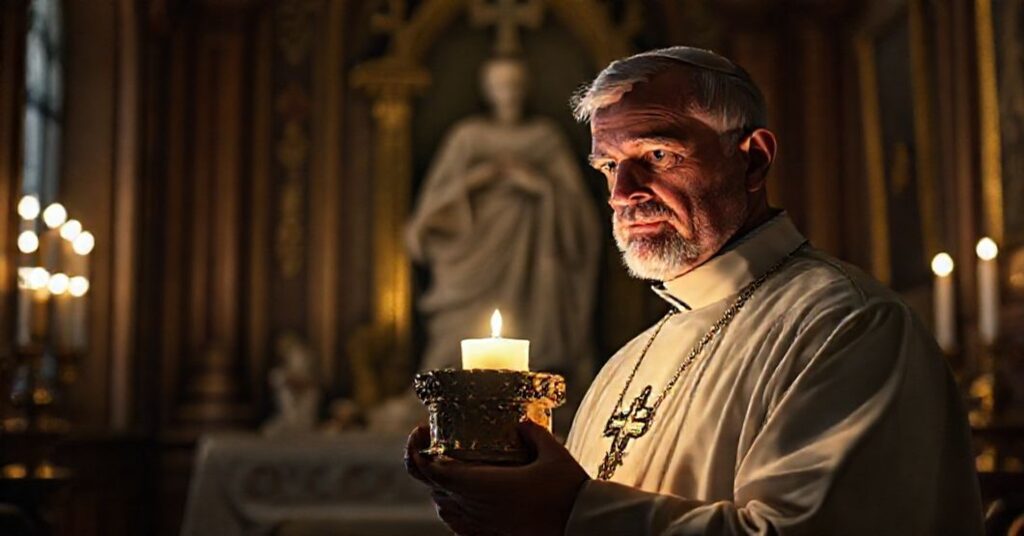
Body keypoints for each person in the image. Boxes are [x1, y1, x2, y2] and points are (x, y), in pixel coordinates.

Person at [405, 46, 984, 535]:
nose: (623, 192)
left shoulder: (845, 326)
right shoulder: (628, 362)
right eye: (608, 167)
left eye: (657, 155)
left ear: (753, 161)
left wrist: (569, 510)